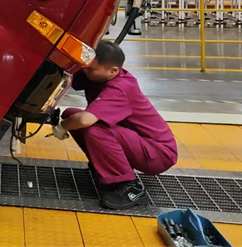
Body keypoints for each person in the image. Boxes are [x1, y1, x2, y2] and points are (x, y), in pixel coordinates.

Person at [50, 40, 177, 209]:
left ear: (113, 71)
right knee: (71, 114)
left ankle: (129, 186)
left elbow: (85, 120)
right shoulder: (97, 76)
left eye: (90, 69)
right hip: (138, 143)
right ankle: (106, 168)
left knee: (91, 127)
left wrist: (62, 126)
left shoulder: (121, 87)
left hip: (158, 154)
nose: (85, 70)